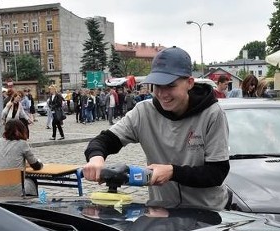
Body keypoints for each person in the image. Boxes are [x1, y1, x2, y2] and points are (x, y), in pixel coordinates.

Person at [83, 46, 230, 210]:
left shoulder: (212, 114)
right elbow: (105, 140)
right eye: (157, 86)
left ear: (189, 83)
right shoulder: (143, 111)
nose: (162, 94)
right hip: (162, 211)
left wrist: (173, 172)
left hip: (206, 213)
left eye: (170, 86)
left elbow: (217, 172)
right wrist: (96, 157)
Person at [0, 118, 43, 197]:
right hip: (16, 191)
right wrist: (40, 164)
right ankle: (32, 205)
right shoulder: (22, 144)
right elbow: (35, 165)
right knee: (32, 180)